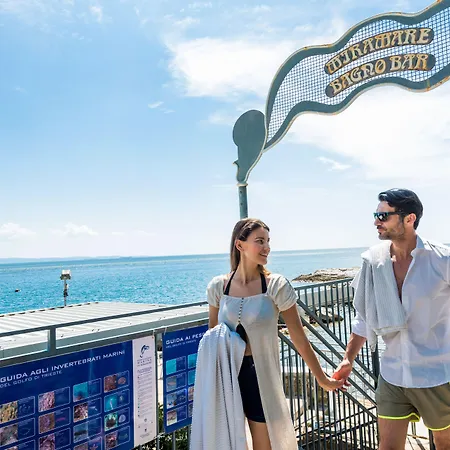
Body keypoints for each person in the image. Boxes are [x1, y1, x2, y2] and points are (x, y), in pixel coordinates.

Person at [207, 218, 344, 450]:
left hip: (260, 378)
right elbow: (212, 338)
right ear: (240, 245)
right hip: (227, 377)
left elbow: (299, 338)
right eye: (260, 241)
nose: (267, 247)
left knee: (264, 445)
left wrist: (322, 379)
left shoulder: (276, 286)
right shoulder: (218, 287)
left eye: (268, 241)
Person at [333, 188, 450, 450]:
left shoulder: (442, 260)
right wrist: (348, 359)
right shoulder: (374, 262)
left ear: (409, 218)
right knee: (387, 446)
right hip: (393, 373)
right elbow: (365, 316)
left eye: (383, 216)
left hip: (437, 374)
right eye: (376, 215)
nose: (376, 221)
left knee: (445, 443)